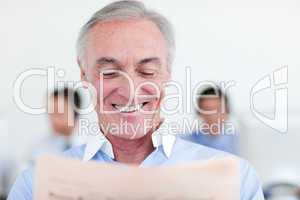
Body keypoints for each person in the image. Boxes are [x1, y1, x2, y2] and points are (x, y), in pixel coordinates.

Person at [8, 1, 264, 199]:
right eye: (110, 72)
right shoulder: (36, 187)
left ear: (168, 72)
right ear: (83, 72)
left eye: (147, 71)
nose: (129, 90)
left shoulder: (235, 181)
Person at [27, 87, 83, 165]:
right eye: (50, 112)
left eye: (58, 113)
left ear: (75, 112)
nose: (53, 119)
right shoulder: (39, 147)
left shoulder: (95, 146)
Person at [182, 86, 239, 154]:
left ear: (227, 112)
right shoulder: (186, 142)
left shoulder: (239, 142)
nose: (212, 116)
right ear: (199, 113)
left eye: (218, 110)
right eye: (207, 110)